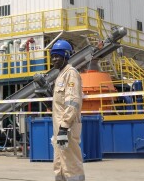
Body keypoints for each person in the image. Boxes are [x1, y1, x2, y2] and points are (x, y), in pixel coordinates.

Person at [51, 39, 84, 181]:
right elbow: (60, 103)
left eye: (57, 56)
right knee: (59, 164)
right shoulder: (60, 75)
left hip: (67, 128)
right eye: (52, 56)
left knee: (70, 165)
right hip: (59, 129)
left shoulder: (71, 73)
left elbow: (73, 101)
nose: (54, 59)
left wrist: (64, 126)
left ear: (65, 55)